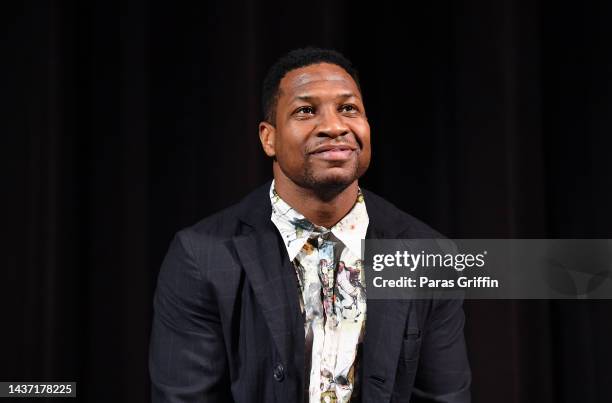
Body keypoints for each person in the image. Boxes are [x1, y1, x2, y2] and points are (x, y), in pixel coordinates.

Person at [149, 47, 471, 402]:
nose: (334, 127)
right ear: (268, 138)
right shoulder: (201, 256)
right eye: (306, 111)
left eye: (348, 108)